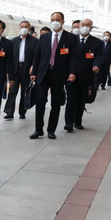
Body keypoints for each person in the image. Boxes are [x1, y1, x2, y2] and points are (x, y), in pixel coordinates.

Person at [30, 12, 79, 140]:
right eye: (52, 20)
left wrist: (72, 72)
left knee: (56, 104)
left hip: (59, 75)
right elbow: (37, 56)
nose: (54, 22)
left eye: (57, 19)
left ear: (63, 21)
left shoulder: (71, 38)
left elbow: (74, 58)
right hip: (43, 74)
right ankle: (38, 129)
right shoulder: (45, 37)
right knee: (40, 101)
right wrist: (34, 72)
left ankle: (51, 130)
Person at [65, 18, 104, 131]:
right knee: (71, 99)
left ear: (91, 27)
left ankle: (77, 121)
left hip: (87, 75)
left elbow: (99, 56)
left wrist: (96, 65)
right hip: (71, 75)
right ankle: (68, 123)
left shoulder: (96, 42)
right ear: (78, 25)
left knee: (81, 99)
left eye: (88, 25)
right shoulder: (71, 40)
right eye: (83, 24)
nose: (85, 26)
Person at [5, 20, 37, 120]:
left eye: (26, 26)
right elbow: (9, 58)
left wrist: (33, 68)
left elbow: (37, 57)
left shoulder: (35, 41)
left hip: (27, 69)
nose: (23, 28)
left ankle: (22, 111)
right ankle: (9, 112)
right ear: (19, 28)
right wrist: (8, 71)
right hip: (15, 68)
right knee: (12, 90)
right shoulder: (13, 41)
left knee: (25, 91)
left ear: (29, 28)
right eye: (22, 26)